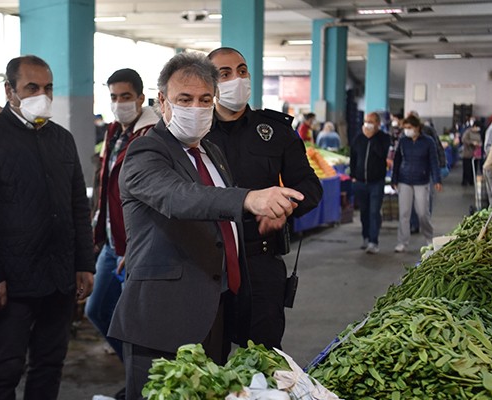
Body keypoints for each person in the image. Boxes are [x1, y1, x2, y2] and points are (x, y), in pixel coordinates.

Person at [108, 52, 304, 400]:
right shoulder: (146, 153)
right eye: (185, 99)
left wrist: (264, 214)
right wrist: (248, 199)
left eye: (204, 100)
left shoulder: (211, 150)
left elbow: (216, 221)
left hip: (215, 309)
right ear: (162, 101)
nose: (196, 108)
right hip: (163, 319)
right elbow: (180, 197)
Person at [0, 55, 96, 400]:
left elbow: (78, 205)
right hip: (10, 282)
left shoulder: (61, 139)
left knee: (50, 365)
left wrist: (83, 264)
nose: (42, 94)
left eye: (48, 88)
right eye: (32, 87)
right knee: (5, 369)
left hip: (58, 277)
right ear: (10, 91)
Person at [205, 47, 322, 350]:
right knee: (205, 363)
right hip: (207, 265)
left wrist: (286, 208)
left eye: (242, 70)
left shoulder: (275, 131)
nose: (237, 79)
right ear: (210, 82)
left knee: (263, 359)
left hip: (260, 263)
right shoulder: (196, 133)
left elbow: (309, 186)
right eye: (225, 73)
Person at [86, 68, 158, 369]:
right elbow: (105, 187)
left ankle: (145, 381)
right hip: (111, 242)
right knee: (98, 309)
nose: (119, 103)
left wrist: (138, 245)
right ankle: (135, 374)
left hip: (135, 247)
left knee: (138, 323)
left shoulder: (154, 134)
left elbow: (155, 198)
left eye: (126, 96)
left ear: (141, 98)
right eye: (114, 97)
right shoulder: (114, 131)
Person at [392, 115, 442, 253]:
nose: (407, 130)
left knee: (422, 213)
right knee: (404, 213)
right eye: (405, 128)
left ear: (417, 128)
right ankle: (402, 242)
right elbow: (397, 161)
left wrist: (437, 179)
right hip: (404, 180)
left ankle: (429, 237)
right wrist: (394, 179)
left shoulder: (428, 142)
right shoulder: (403, 141)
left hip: (422, 180)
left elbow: (433, 161)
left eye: (409, 128)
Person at [350, 112, 390, 254]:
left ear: (378, 124)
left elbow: (382, 154)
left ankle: (374, 241)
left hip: (376, 183)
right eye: (366, 121)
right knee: (364, 212)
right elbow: (353, 157)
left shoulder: (384, 138)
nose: (368, 124)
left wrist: (371, 138)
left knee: (374, 212)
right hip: (360, 182)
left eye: (371, 121)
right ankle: (366, 237)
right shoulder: (358, 138)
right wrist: (353, 176)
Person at [460, 121, 483, 186]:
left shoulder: (478, 133)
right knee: (467, 168)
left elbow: (480, 140)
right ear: (474, 126)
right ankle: (465, 181)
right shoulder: (468, 132)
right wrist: (472, 142)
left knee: (474, 168)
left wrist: (479, 144)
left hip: (475, 154)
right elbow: (464, 140)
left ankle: (471, 181)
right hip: (467, 153)